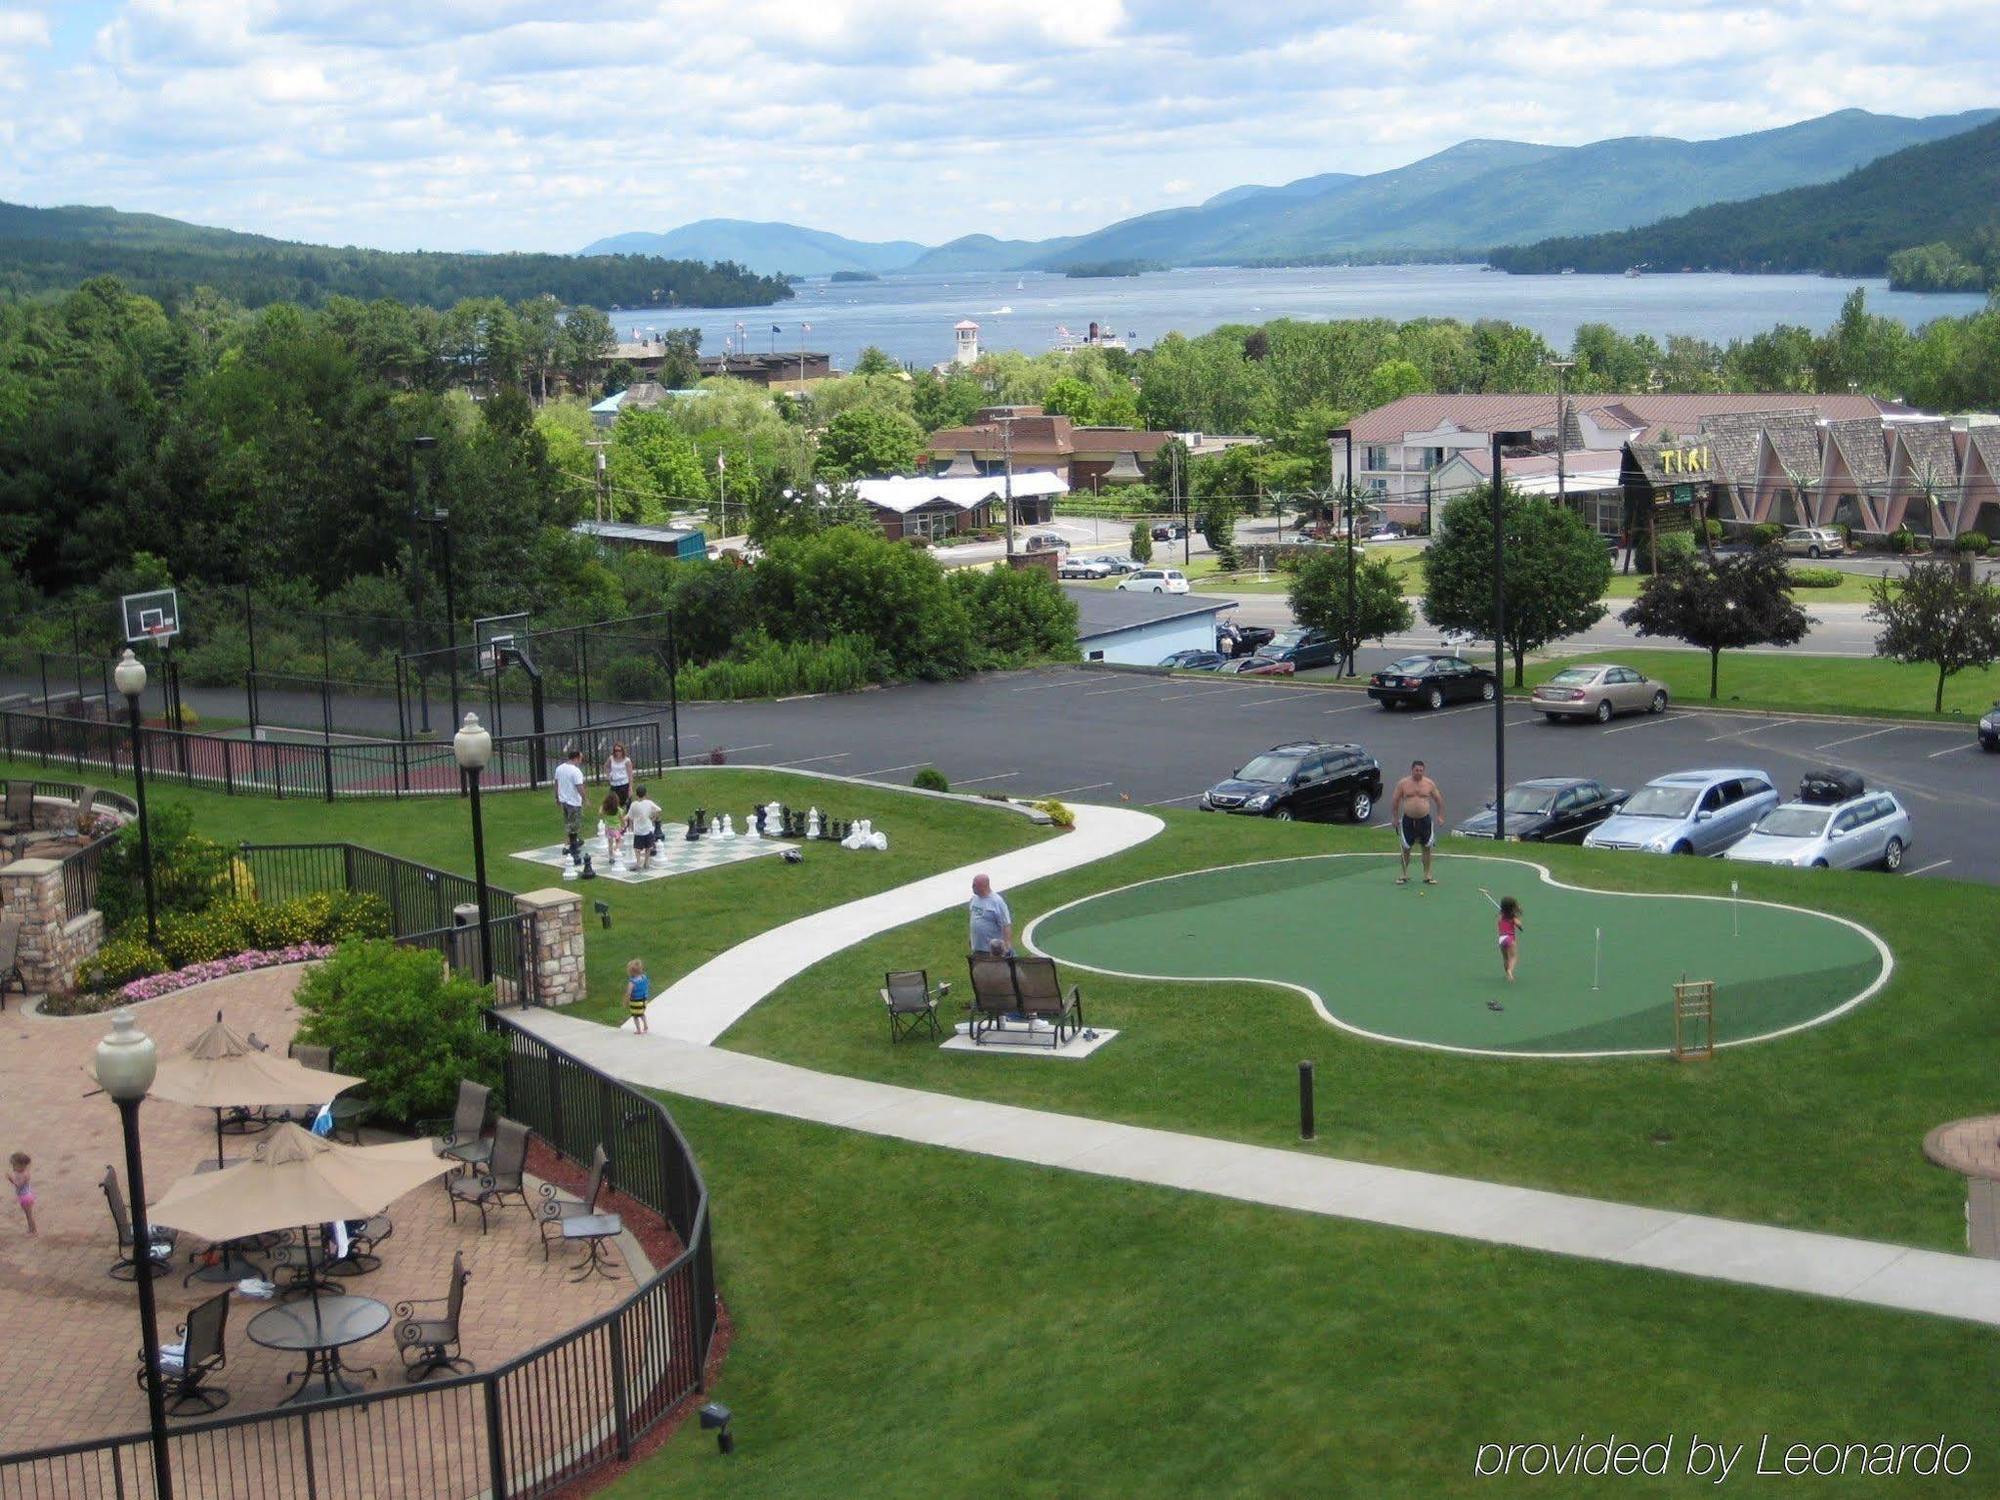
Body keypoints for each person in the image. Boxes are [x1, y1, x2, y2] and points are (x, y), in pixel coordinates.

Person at [1390, 759, 1445, 886]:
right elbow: (1395, 800)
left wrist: (1440, 816)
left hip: (1424, 819)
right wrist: (1394, 817)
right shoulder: (1403, 783)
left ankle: (1427, 875)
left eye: (1421, 770)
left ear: (1423, 771)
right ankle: (1403, 874)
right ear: (1412, 770)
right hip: (1408, 819)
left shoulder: (1429, 783)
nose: (1419, 772)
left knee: (1426, 847)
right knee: (1406, 848)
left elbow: (1438, 799)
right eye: (1416, 770)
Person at [554, 748, 587, 859]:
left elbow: (556, 784)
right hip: (573, 802)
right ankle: (573, 847)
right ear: (576, 758)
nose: (581, 761)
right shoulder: (576, 771)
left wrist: (557, 798)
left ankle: (574, 842)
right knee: (574, 825)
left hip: (564, 801)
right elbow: (579, 786)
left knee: (569, 823)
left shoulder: (559, 768)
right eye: (580, 759)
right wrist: (585, 798)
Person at [969, 873, 1012, 955]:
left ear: (983, 886)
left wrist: (1007, 946)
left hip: (992, 950)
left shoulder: (997, 902)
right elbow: (973, 919)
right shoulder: (974, 899)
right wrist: (971, 938)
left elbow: (1006, 925)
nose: (972, 887)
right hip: (977, 948)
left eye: (974, 885)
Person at [627, 783, 663, 871]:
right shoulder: (649, 803)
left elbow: (630, 817)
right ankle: (646, 863)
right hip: (648, 829)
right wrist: (653, 818)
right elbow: (659, 810)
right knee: (648, 847)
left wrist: (630, 827)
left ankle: (638, 863)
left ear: (636, 794)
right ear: (646, 794)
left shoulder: (634, 804)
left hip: (638, 831)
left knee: (637, 848)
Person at [1496, 896, 1523, 982]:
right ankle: (1510, 971)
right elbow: (1519, 925)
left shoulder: (1500, 916)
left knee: (1505, 958)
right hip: (1509, 938)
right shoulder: (1513, 918)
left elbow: (1500, 921)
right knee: (1513, 957)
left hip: (1501, 939)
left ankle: (1507, 973)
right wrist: (1517, 921)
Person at [7, 1152, 33, 1236]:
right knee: (28, 1215)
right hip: (23, 1196)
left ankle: (33, 1231)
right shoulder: (21, 1172)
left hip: (26, 1197)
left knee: (29, 1216)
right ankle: (32, 1230)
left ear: (22, 1165)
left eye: (15, 1165)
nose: (13, 1167)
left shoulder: (25, 1174)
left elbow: (18, 1185)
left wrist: (10, 1179)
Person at [599, 790, 627, 866]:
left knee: (610, 843)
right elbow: (622, 819)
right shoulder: (619, 810)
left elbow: (600, 812)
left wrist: (602, 805)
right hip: (616, 829)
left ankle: (611, 857)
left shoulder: (606, 810)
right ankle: (616, 851)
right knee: (618, 841)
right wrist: (624, 825)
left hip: (608, 829)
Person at [624, 958, 651, 1034]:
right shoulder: (644, 977)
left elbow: (628, 993)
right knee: (642, 1013)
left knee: (635, 1016)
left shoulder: (632, 982)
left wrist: (626, 1002)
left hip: (635, 1001)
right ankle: (645, 1025)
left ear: (631, 972)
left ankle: (638, 1030)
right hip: (644, 1000)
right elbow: (647, 985)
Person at [605, 742, 634, 810]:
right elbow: (606, 766)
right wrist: (608, 775)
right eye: (615, 750)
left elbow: (630, 775)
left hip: (624, 784)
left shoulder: (627, 760)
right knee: (613, 804)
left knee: (626, 804)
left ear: (622, 751)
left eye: (619, 750)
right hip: (614, 785)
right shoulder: (611, 758)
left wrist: (630, 788)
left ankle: (627, 819)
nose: (617, 752)